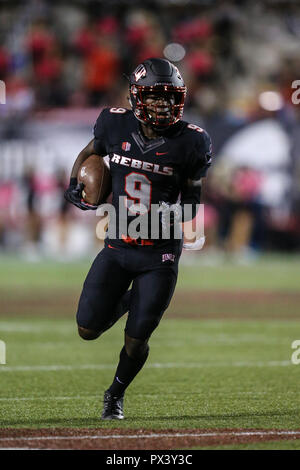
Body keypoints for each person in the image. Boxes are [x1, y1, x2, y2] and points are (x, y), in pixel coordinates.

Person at [64, 58, 212, 420]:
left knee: (137, 338)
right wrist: (76, 184)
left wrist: (168, 216)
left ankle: (115, 394)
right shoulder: (113, 123)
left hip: (158, 255)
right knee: (86, 329)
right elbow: (90, 153)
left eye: (169, 98)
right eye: (155, 97)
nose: (163, 105)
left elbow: (192, 203)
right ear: (136, 97)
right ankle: (133, 299)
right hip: (117, 246)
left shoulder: (192, 140)